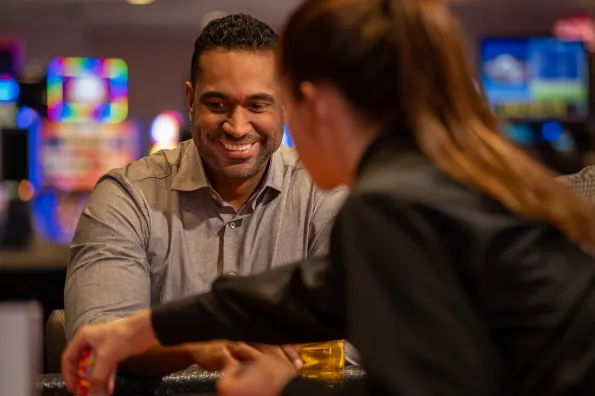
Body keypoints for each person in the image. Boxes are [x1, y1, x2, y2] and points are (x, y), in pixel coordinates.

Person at [63, 0, 595, 395]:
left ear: (305, 103)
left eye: (269, 102)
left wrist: (282, 390)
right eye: (220, 103)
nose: (241, 125)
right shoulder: (425, 177)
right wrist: (150, 327)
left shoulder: (387, 201)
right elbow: (318, 290)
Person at [64, 13, 347, 375]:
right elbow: (97, 340)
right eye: (218, 105)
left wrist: (251, 356)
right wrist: (193, 343)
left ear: (285, 104)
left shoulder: (324, 194)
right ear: (191, 100)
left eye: (258, 105)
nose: (237, 126)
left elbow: (364, 339)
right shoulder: (126, 197)